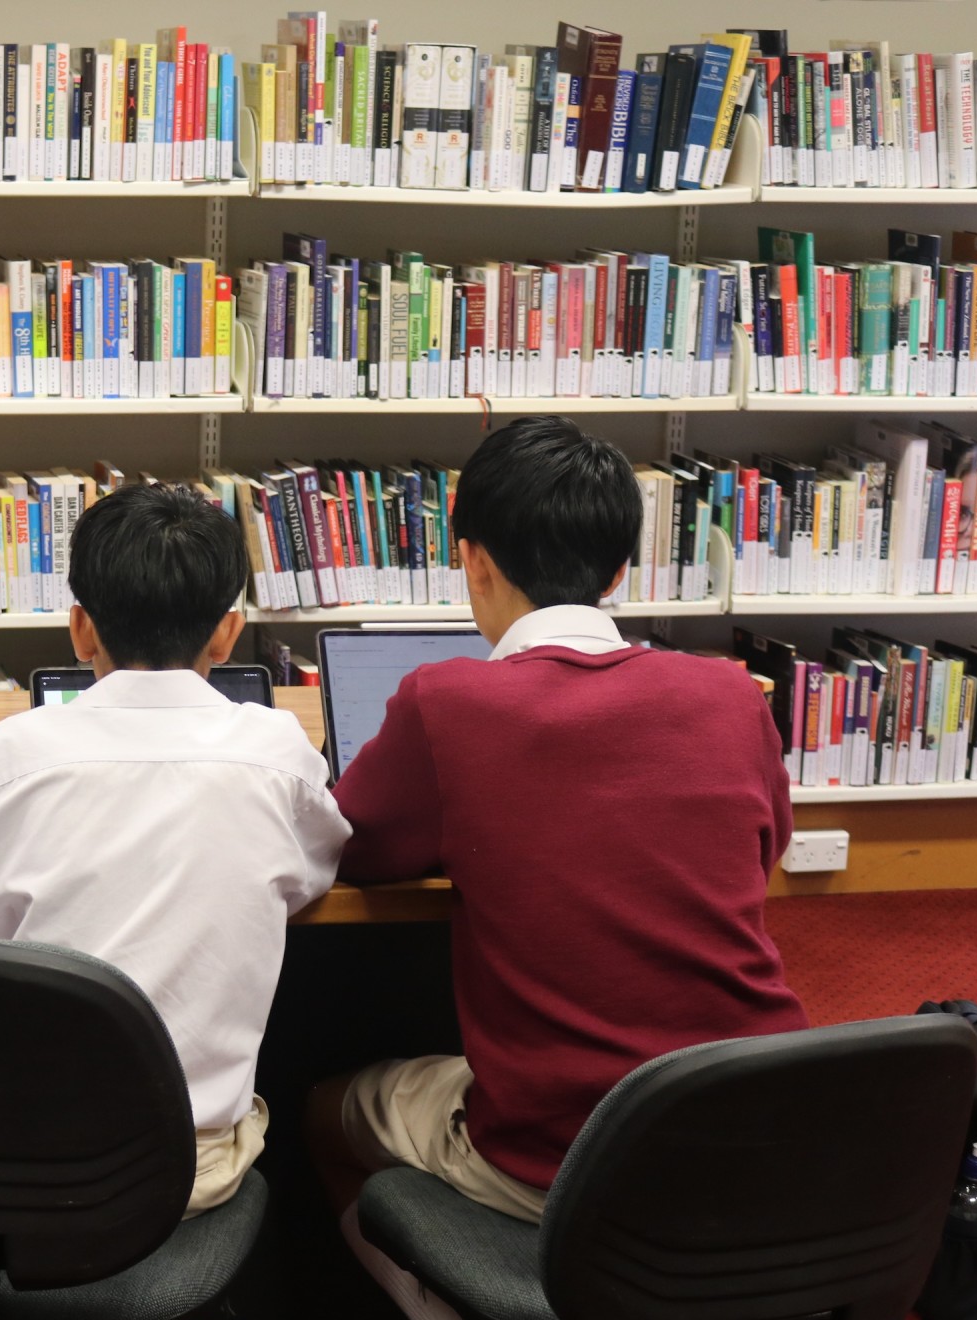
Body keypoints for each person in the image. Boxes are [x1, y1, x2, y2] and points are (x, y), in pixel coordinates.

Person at [309, 416, 807, 1224]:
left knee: (330, 1108)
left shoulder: (447, 700)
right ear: (617, 570)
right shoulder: (728, 693)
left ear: (472, 560)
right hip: (762, 1122)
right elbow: (765, 851)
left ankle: (434, 1300)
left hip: (560, 1155)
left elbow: (349, 851)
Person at [0, 484, 348, 1216]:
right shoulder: (279, 759)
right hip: (188, 1169)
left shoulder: (21, 756)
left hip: (20, 1170)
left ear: (81, 630)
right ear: (227, 634)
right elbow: (316, 869)